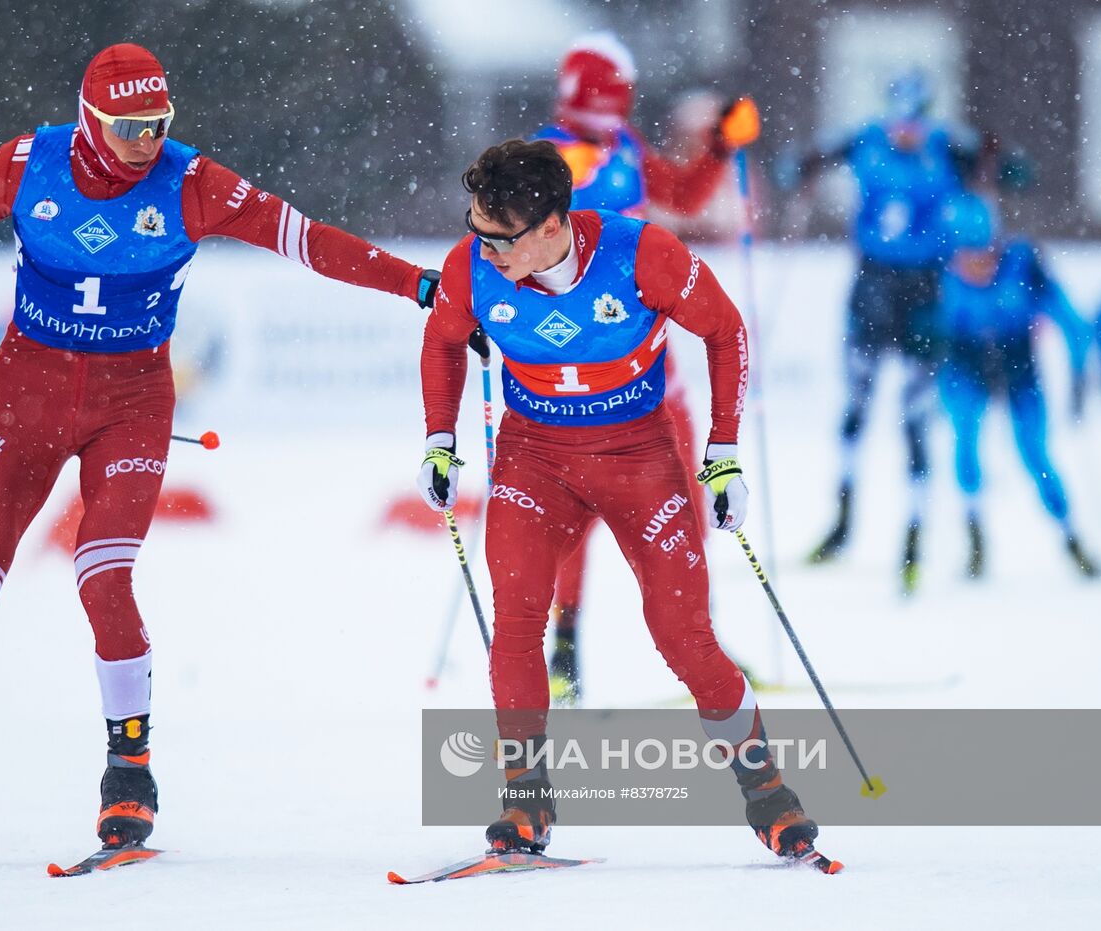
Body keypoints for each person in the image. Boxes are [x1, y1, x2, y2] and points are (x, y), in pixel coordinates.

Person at [0, 43, 440, 853]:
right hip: (22, 401)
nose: (147, 140)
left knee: (102, 576)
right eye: (129, 126)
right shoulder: (26, 164)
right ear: (90, 119)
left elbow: (309, 241)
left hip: (132, 406)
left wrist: (419, 284)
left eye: (159, 124)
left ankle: (129, 775)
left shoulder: (193, 182)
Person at [415, 139, 822, 863]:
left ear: (550, 225)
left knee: (683, 636)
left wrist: (723, 450)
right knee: (516, 622)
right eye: (473, 226)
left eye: (498, 236)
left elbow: (725, 330)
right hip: (534, 457)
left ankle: (767, 791)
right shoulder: (470, 266)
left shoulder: (642, 254)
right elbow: (443, 340)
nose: (482, 248)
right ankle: (525, 800)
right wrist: (439, 440)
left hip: (638, 457)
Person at [530, 33, 759, 704]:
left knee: (687, 498)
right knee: (576, 511)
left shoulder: (626, 146)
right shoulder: (547, 155)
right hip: (579, 366)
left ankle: (700, 642)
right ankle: (564, 648)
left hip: (652, 358)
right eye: (605, 100)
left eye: (620, 100)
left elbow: (683, 198)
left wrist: (719, 144)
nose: (613, 112)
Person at [790, 69, 976, 593]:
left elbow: (1007, 171)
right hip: (871, 285)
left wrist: (1001, 167)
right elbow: (805, 162)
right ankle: (842, 525)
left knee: (915, 419)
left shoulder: (947, 146)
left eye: (914, 122)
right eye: (898, 121)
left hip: (924, 291)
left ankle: (913, 539)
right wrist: (797, 169)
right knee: (856, 408)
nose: (905, 132)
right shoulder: (863, 138)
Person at [936, 192, 1098, 577]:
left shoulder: (1026, 269)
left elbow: (1075, 327)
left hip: (1017, 367)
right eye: (965, 259)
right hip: (967, 364)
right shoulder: (944, 277)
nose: (975, 268)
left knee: (1034, 454)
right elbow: (933, 337)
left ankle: (1070, 536)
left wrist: (1077, 378)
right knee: (965, 438)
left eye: (983, 256)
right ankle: (974, 534)